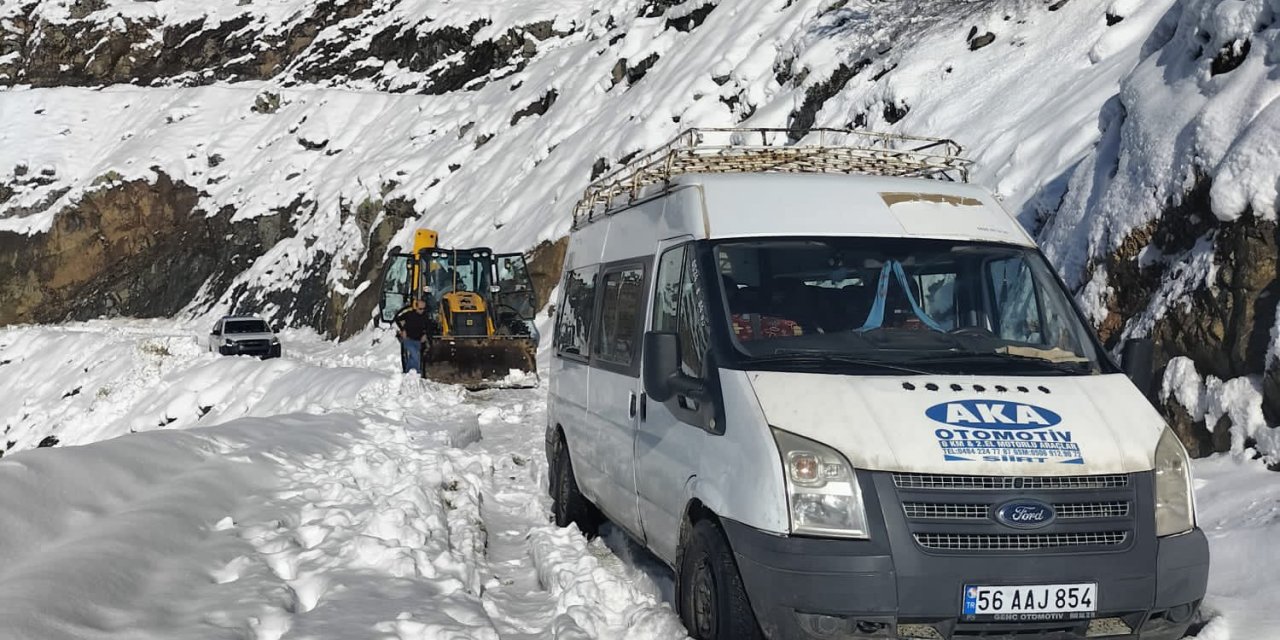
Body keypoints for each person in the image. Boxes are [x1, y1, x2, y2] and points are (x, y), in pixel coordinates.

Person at [394, 298, 430, 374]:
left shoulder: (425, 317)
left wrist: (425, 335)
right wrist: (402, 329)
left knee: (413, 357)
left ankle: (407, 372)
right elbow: (397, 319)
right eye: (420, 309)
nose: (422, 310)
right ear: (416, 307)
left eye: (424, 309)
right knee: (415, 355)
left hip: (418, 340)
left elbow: (429, 327)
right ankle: (417, 372)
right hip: (408, 339)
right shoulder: (409, 314)